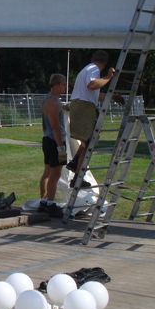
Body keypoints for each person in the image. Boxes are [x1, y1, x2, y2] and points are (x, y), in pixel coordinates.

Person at [67, 51, 115, 188]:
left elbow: (93, 93)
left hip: (80, 105)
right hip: (84, 108)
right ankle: (77, 178)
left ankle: (75, 163)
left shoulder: (87, 69)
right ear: (104, 63)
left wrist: (112, 96)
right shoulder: (94, 69)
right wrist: (109, 77)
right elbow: (92, 85)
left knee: (86, 141)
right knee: (89, 142)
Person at [38, 74, 67, 216]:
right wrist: (61, 146)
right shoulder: (53, 103)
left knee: (48, 172)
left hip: (48, 140)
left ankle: (43, 202)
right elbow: (55, 127)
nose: (65, 87)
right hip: (55, 141)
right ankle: (49, 203)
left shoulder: (51, 101)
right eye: (63, 84)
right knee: (55, 174)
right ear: (56, 85)